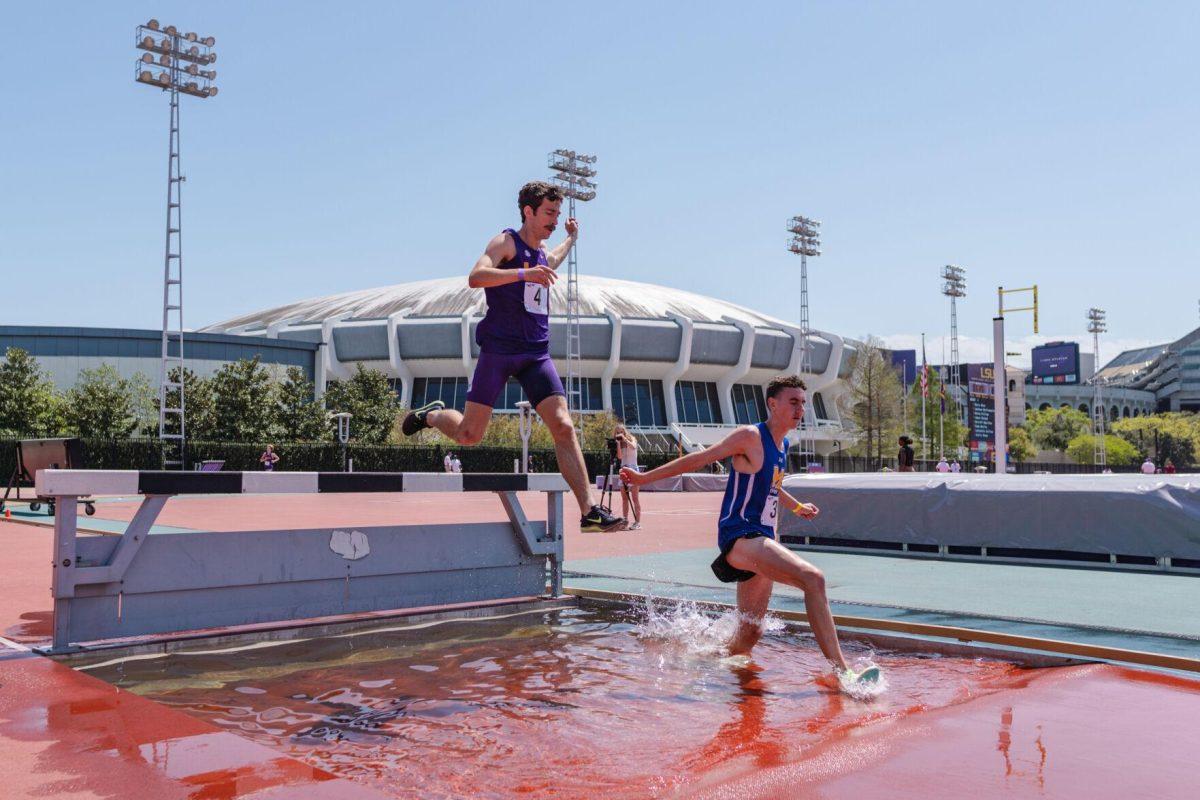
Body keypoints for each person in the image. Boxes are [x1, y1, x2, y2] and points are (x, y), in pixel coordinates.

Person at [621, 375, 879, 686]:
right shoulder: (749, 437)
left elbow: (772, 485)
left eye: (803, 403)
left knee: (751, 631)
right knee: (814, 579)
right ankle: (843, 673)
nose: (801, 409)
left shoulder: (782, 444)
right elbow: (700, 458)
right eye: (793, 402)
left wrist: (796, 507)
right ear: (773, 404)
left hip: (763, 541)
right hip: (741, 537)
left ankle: (700, 660)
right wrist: (642, 478)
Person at [400, 181, 622, 532]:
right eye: (548, 213)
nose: (553, 219)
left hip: (535, 354)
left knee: (563, 427)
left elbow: (552, 260)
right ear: (528, 212)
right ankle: (432, 416)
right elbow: (475, 276)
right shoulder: (506, 242)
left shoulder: (542, 253)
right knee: (469, 435)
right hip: (500, 351)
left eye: (557, 213)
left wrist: (571, 239)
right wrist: (523, 273)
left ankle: (589, 511)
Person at [614, 423, 642, 530]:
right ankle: (625, 521)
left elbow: (634, 447)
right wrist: (618, 444)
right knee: (624, 499)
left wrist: (625, 439)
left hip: (633, 469)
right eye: (617, 432)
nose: (619, 434)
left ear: (624, 431)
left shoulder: (632, 438)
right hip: (624, 470)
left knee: (635, 498)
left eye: (621, 431)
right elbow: (620, 457)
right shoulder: (619, 443)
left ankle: (637, 522)